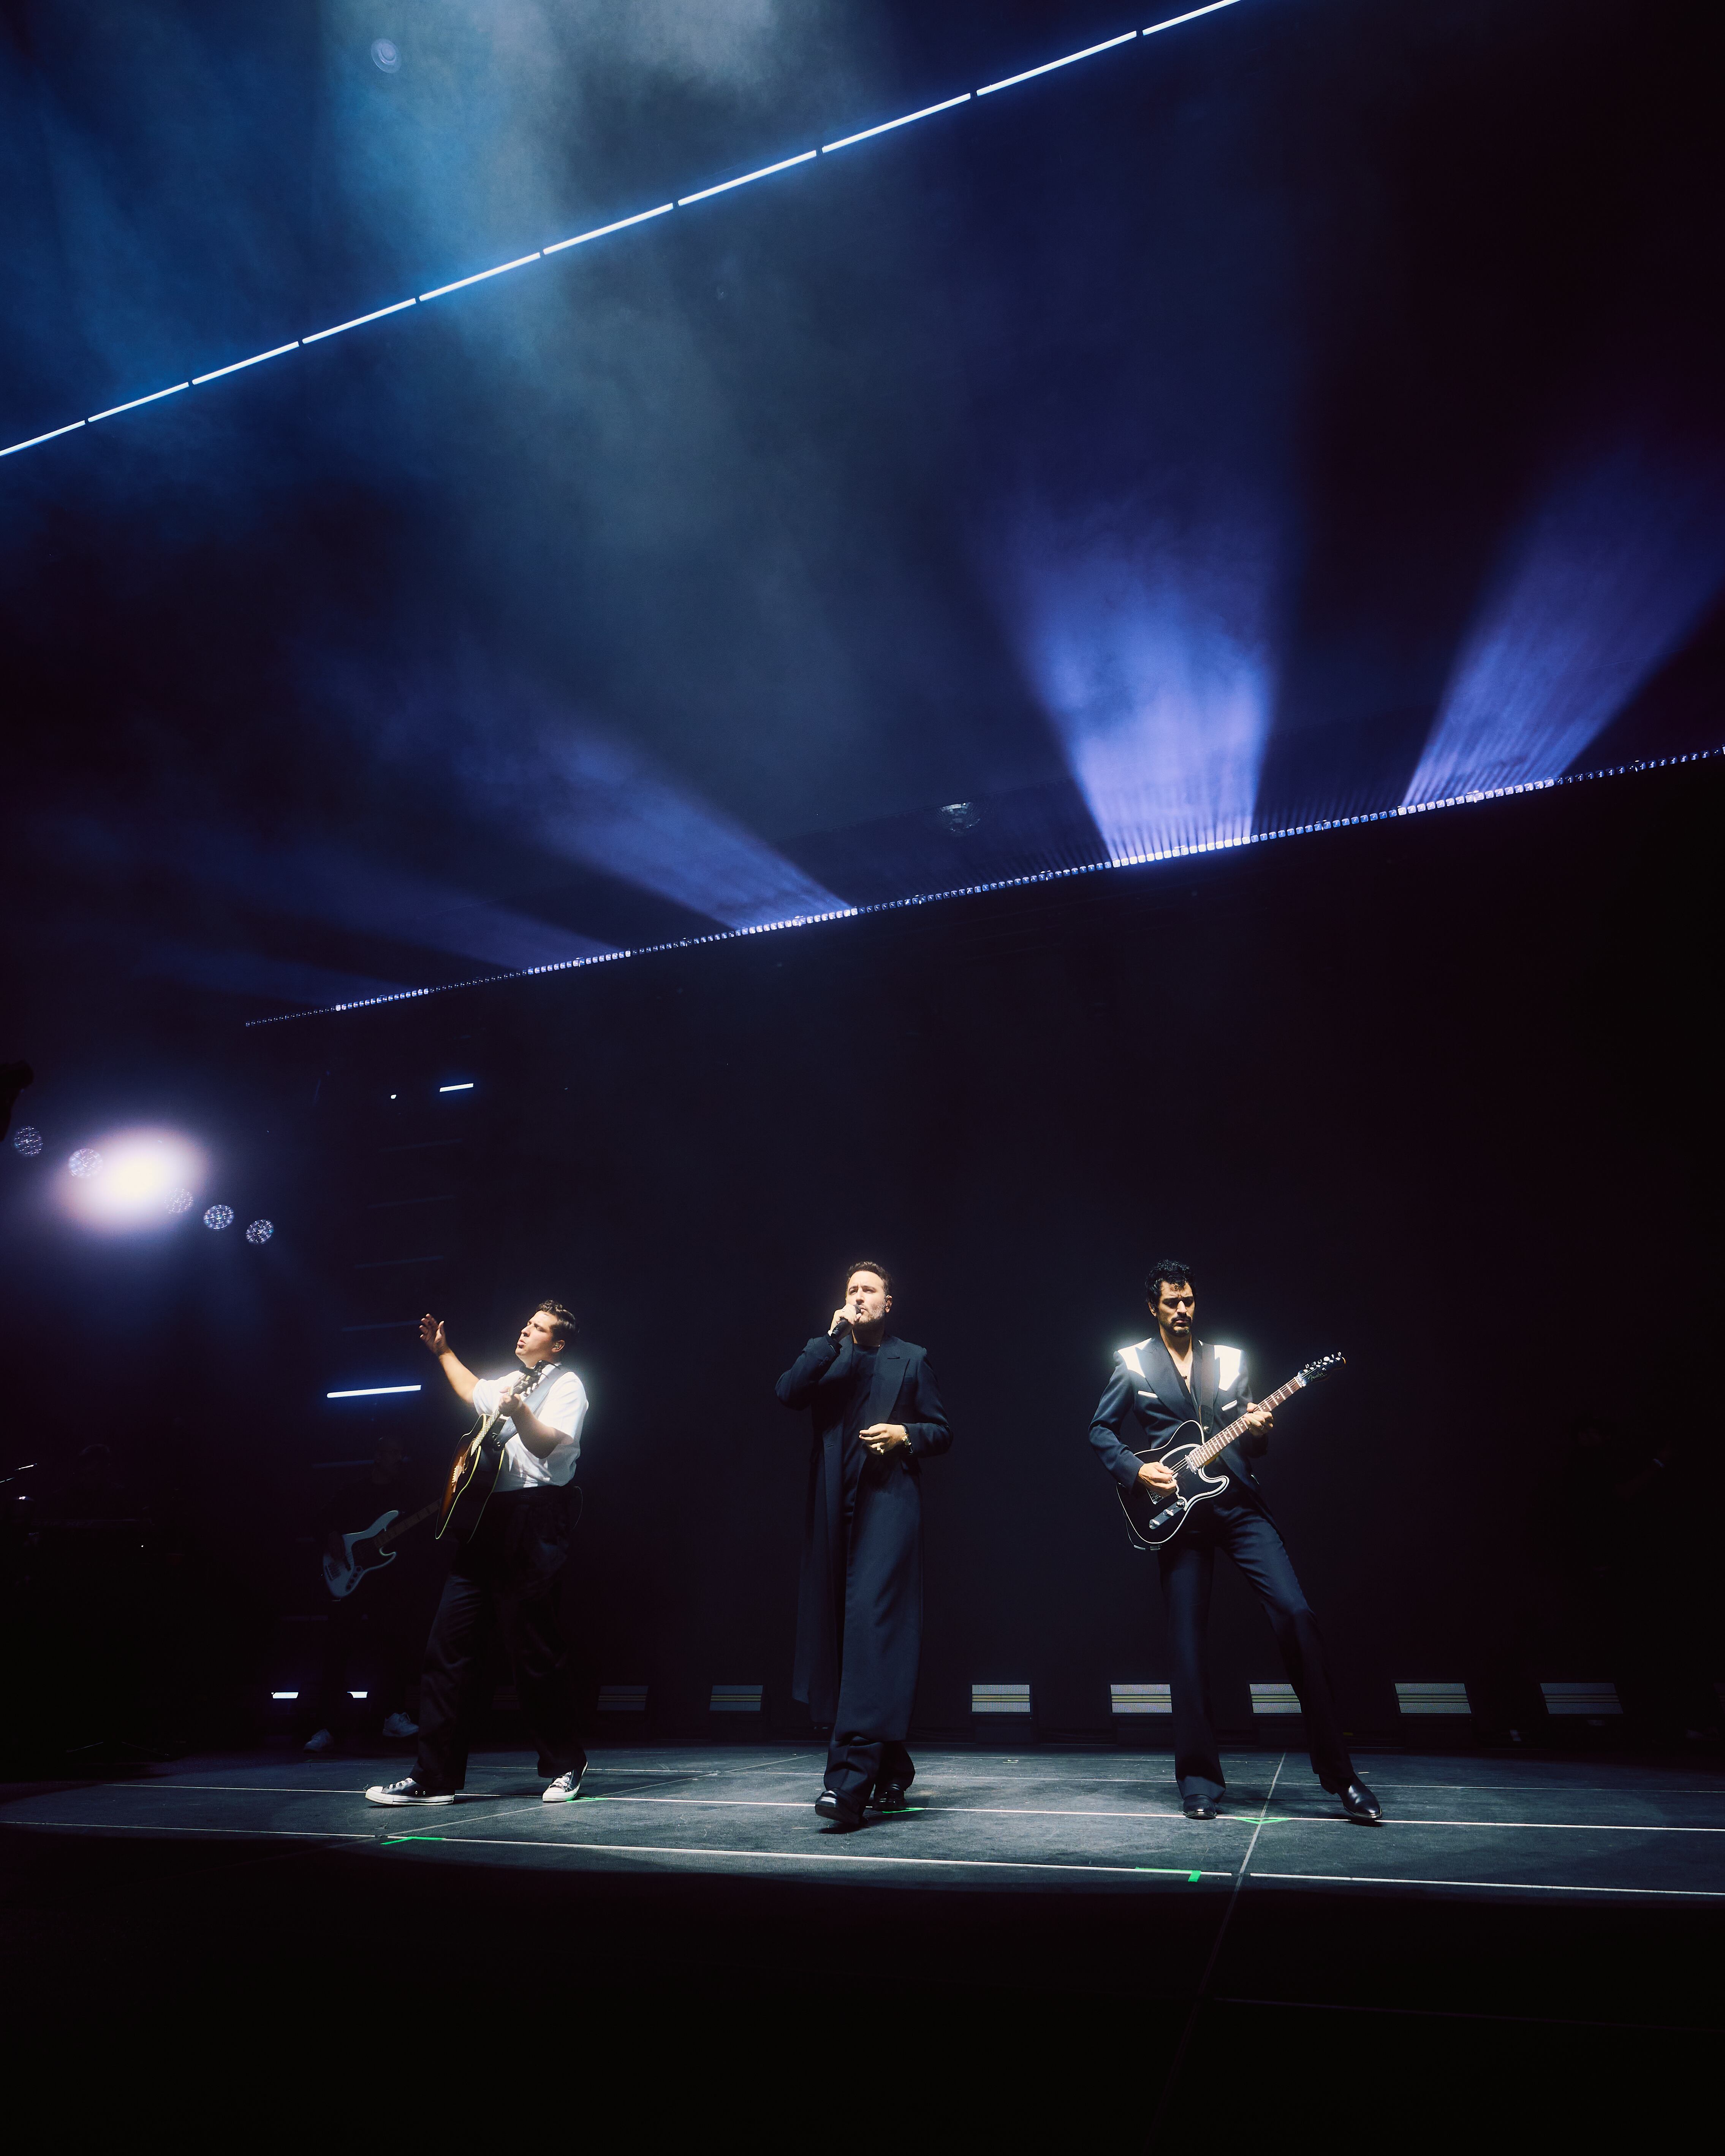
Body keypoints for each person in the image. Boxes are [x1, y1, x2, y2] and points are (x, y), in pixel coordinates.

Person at [1088, 1260, 1380, 1823]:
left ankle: (1341, 1775)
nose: (1182, 1310)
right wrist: (1134, 1469)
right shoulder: (1131, 1361)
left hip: (1239, 1503)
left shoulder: (1230, 1361)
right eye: (1172, 1302)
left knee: (1296, 1614)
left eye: (1190, 1301)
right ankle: (1198, 1779)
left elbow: (1250, 1443)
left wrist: (1261, 1429)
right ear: (1154, 1306)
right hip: (1179, 1515)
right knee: (1187, 1647)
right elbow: (1099, 1429)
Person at [364, 1301, 589, 1808]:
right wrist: (443, 1350)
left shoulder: (567, 1384)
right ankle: (434, 1775)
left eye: (539, 1328)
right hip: (487, 1519)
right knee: (448, 1643)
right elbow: (472, 1388)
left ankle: (565, 1764)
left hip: (535, 1518)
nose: (526, 1328)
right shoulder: (513, 1377)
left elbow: (549, 1444)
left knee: (533, 1650)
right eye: (527, 1321)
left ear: (557, 1344)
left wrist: (520, 1412)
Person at [775, 1260, 952, 1830]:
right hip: (833, 1510)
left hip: (889, 1509)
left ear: (888, 1302)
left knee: (873, 1630)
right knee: (846, 1639)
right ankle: (892, 1765)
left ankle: (847, 1784)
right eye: (851, 1289)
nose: (858, 1296)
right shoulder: (829, 1350)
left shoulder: (913, 1358)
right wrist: (829, 1338)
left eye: (868, 1289)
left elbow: (942, 1430)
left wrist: (906, 1435)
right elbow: (788, 1392)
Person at [302, 1433, 424, 1753]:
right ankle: (328, 1726)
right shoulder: (353, 1492)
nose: (398, 1458)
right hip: (350, 1582)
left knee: (396, 1646)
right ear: (378, 1455)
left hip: (388, 1585)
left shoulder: (407, 1495)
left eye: (401, 1452)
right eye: (392, 1452)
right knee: (337, 1651)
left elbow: (415, 1537)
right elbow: (321, 1519)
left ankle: (391, 1716)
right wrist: (330, 1534)